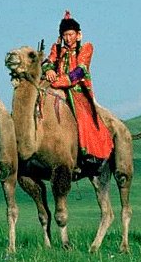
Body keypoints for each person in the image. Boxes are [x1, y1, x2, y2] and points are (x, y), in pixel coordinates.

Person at [42, 11, 114, 170]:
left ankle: (88, 153)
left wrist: (59, 81)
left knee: (82, 115)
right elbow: (48, 62)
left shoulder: (86, 48)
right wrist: (49, 70)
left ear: (78, 34)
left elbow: (80, 71)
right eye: (65, 35)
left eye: (71, 34)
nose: (68, 38)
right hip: (55, 86)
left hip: (77, 91)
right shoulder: (57, 48)